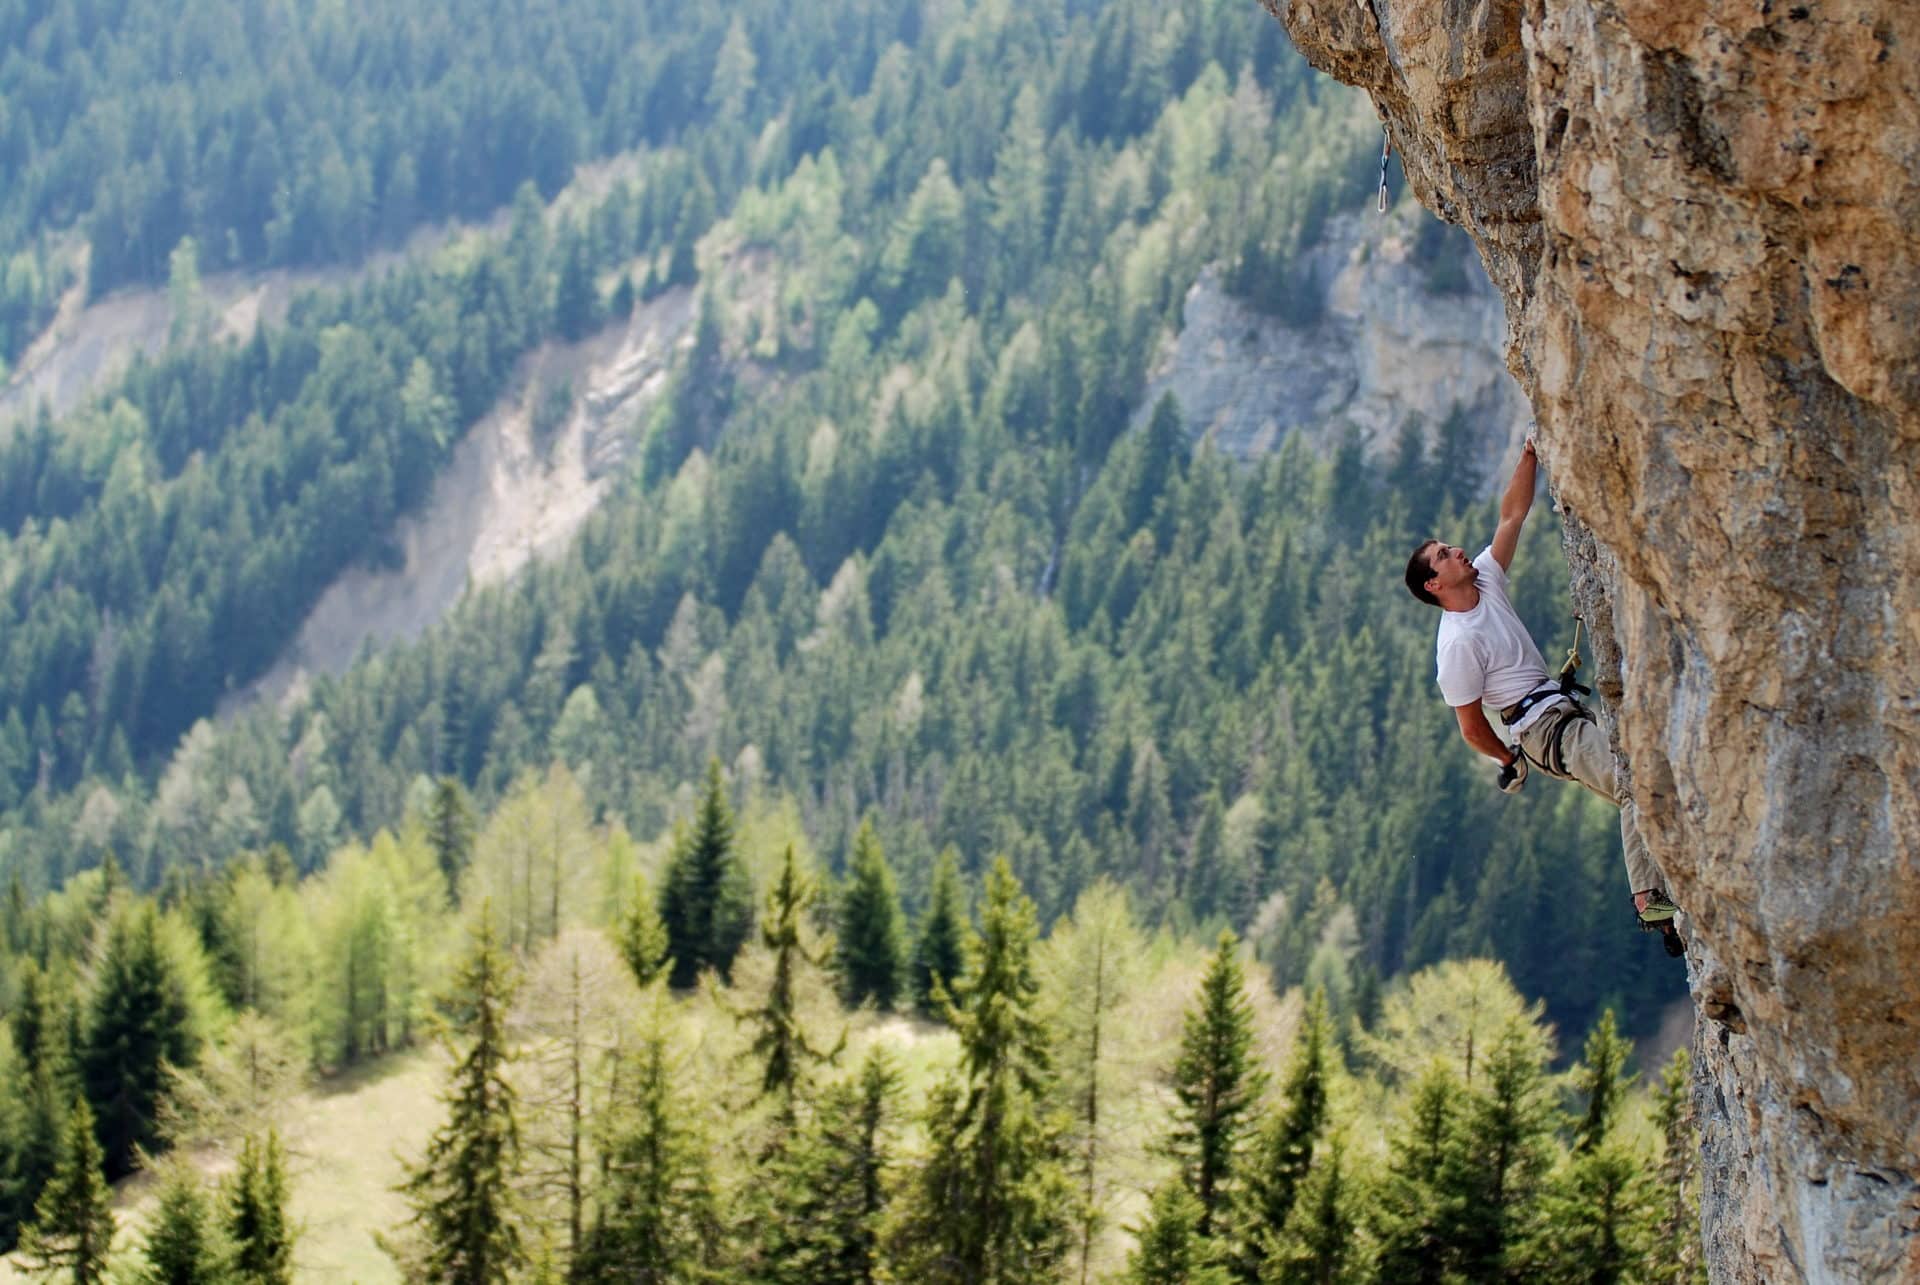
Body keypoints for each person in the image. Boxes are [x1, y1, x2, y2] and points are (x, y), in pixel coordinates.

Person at [1404, 438, 1683, 955]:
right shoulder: (1458, 645)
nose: (1456, 551)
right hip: (1543, 731)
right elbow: (1470, 725)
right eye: (1444, 556)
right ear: (1435, 585)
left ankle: (1670, 901)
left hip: (1558, 713)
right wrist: (1508, 757)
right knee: (1634, 784)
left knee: (1649, 790)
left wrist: (1531, 453)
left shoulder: (1484, 581)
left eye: (1449, 547)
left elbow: (1511, 518)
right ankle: (1650, 902)